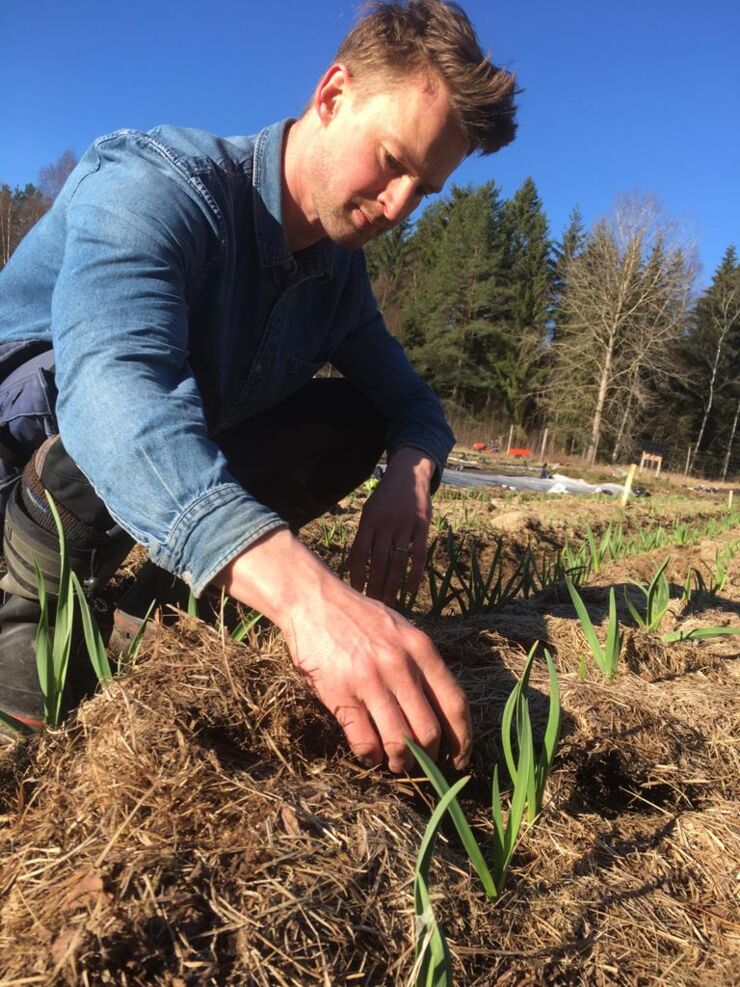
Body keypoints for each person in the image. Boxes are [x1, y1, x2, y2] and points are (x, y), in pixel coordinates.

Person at [0, 0, 517, 770]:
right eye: (393, 162)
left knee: (350, 417)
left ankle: (151, 613)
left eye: (426, 191)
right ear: (332, 94)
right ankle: (28, 604)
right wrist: (311, 602)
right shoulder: (156, 182)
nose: (400, 206)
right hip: (30, 435)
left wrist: (410, 475)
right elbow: (116, 392)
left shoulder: (336, 279)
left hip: (142, 462)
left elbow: (412, 402)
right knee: (120, 401)